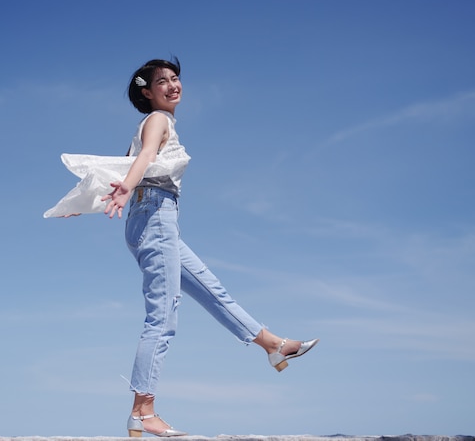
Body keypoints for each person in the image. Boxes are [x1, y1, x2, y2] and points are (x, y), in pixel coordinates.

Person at [95, 58, 319, 437]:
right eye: (162, 81)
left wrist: (84, 201)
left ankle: (273, 345)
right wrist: (130, 188)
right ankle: (142, 412)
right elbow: (144, 161)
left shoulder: (150, 125)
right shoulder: (158, 121)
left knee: (212, 291)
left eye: (175, 78)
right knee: (162, 318)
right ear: (147, 92)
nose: (172, 85)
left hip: (151, 219)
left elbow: (122, 169)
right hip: (155, 218)